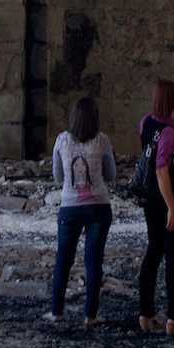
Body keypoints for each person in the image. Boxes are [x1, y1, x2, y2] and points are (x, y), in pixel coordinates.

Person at [49, 96, 115, 327]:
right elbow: (111, 175)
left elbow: (58, 176)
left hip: (69, 208)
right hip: (99, 206)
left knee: (63, 260)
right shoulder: (102, 140)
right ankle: (91, 315)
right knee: (93, 262)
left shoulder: (61, 141)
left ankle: (56, 311)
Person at [135, 77, 174, 334]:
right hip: (168, 198)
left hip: (149, 199)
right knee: (173, 258)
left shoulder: (146, 122)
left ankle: (146, 314)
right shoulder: (168, 133)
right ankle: (173, 319)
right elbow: (162, 171)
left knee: (153, 251)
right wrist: (173, 208)